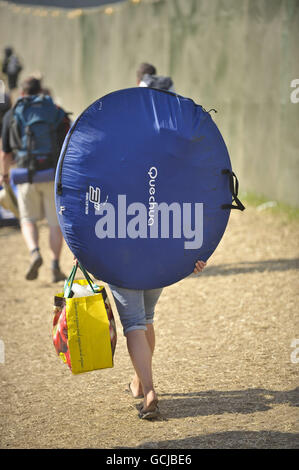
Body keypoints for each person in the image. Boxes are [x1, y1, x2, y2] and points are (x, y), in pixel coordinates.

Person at [107, 66, 206, 420]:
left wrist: (83, 247)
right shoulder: (179, 149)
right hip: (162, 248)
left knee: (134, 321)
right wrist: (197, 249)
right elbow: (197, 199)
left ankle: (149, 391)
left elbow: (90, 200)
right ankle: (139, 381)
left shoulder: (115, 142)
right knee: (146, 317)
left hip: (120, 243)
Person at [0, 76, 70, 282]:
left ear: (21, 93)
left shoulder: (12, 114)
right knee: (54, 224)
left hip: (25, 174)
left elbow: (5, 153)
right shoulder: (56, 111)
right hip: (52, 174)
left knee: (27, 219)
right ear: (41, 91)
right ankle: (55, 265)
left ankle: (34, 252)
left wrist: (4, 175)